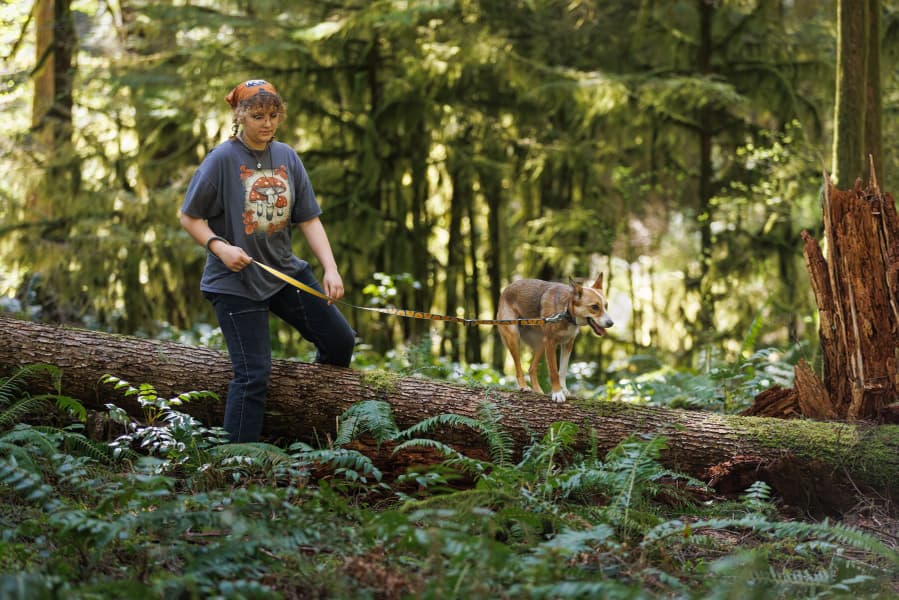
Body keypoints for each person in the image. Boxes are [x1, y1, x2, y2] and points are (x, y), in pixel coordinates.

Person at [179, 79, 355, 443]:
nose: (267, 123)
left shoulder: (288, 157)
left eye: (273, 115)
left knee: (340, 340)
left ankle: (305, 424)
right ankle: (236, 465)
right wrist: (219, 247)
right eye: (258, 115)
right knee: (253, 374)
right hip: (235, 283)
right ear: (240, 116)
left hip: (282, 273)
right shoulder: (222, 160)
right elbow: (189, 217)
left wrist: (330, 267)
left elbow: (308, 217)